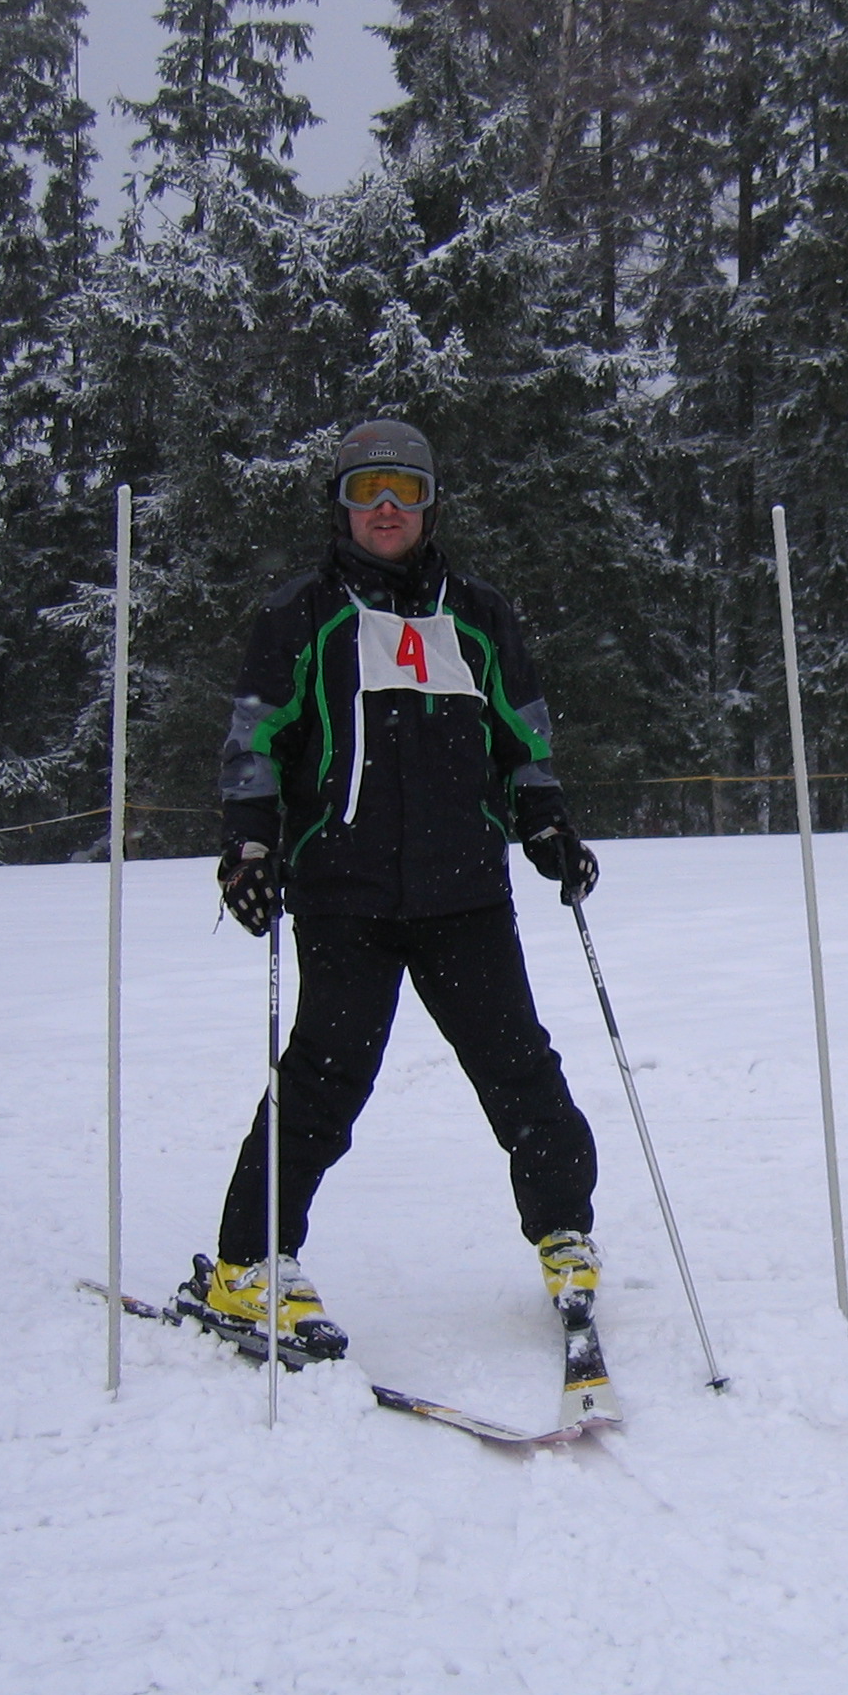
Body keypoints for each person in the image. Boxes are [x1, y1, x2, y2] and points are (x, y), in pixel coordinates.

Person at [184, 419, 604, 1358]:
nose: (386, 508)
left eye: (404, 492)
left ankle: (565, 1233)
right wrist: (249, 847)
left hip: (464, 894)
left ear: (429, 506)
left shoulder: (480, 614)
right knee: (325, 1080)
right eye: (369, 489)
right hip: (345, 892)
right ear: (341, 503)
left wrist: (544, 824)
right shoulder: (302, 613)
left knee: (521, 1071)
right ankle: (246, 1264)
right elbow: (256, 740)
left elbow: (522, 739)